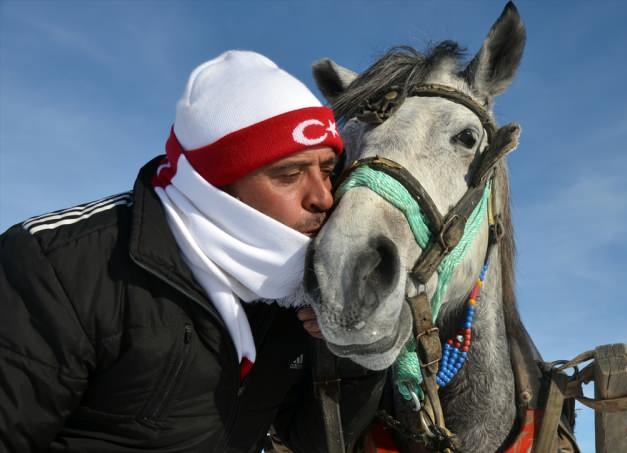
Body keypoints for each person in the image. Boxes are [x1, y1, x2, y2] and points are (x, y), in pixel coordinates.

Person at [0, 50, 385, 452]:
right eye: (289, 174)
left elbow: (313, 440)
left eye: (328, 170)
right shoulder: (59, 265)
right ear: (214, 186)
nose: (323, 197)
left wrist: (351, 350)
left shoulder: (297, 289)